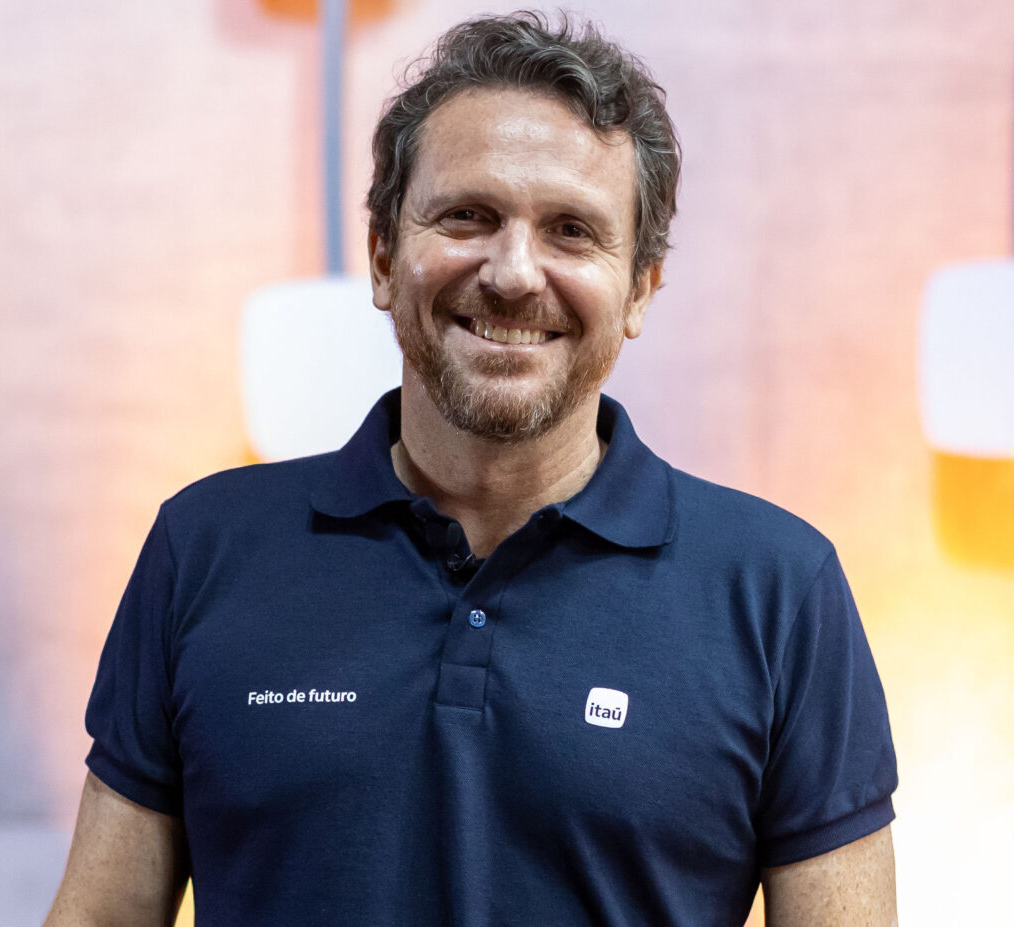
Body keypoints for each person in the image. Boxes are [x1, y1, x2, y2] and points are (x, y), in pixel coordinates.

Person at [46, 12, 898, 927]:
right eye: (467, 216)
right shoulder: (203, 547)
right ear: (383, 256)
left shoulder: (779, 590)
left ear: (641, 288)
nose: (515, 272)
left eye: (572, 230)